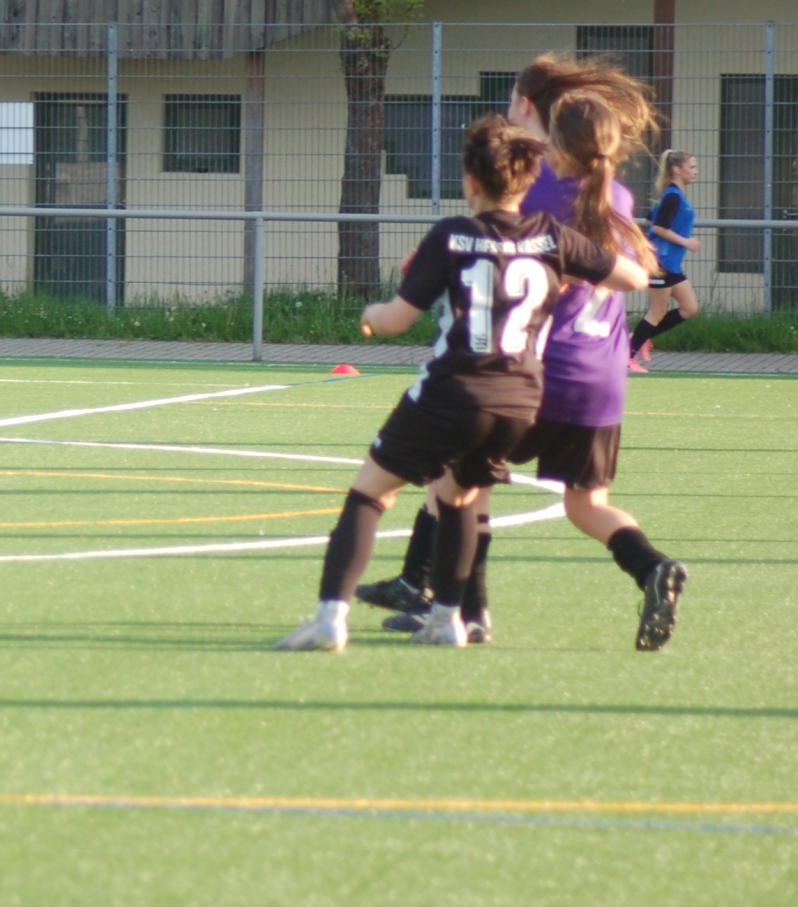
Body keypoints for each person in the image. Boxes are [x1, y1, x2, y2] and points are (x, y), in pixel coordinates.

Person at [277, 116, 648, 651]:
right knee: (458, 496)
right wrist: (569, 273)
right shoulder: (551, 235)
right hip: (519, 403)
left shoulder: (454, 234)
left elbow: (396, 320)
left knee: (371, 493)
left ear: (471, 182)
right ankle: (448, 620)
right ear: (527, 179)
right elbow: (633, 277)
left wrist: (370, 314)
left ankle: (330, 618)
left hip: (453, 392)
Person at [358, 56, 689, 650]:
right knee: (588, 505)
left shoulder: (533, 186)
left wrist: (437, 259)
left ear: (531, 112)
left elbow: (494, 246)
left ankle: (466, 610)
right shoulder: (614, 190)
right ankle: (652, 566)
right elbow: (631, 274)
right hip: (602, 377)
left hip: (535, 371)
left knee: (461, 486)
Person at [629, 150, 699, 371]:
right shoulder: (672, 196)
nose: (695, 172)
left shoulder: (674, 195)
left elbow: (652, 217)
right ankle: (627, 354)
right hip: (660, 263)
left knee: (689, 308)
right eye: (692, 167)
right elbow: (659, 227)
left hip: (671, 264)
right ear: (678, 169)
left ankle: (641, 336)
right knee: (657, 311)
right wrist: (686, 241)